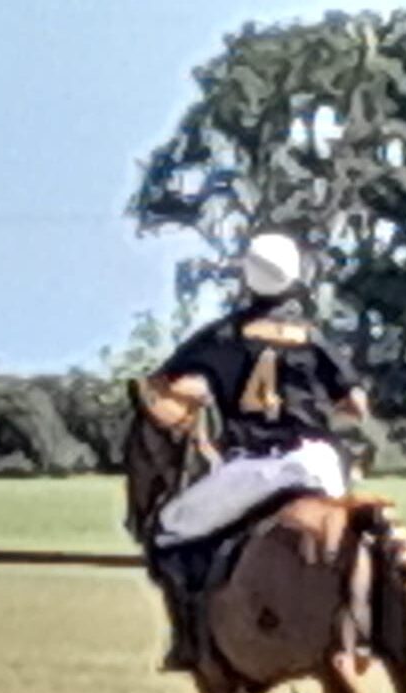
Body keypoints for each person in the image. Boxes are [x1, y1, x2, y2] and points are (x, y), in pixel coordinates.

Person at [141, 231, 369, 670]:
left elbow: (165, 386)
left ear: (247, 278)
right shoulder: (313, 337)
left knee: (168, 531)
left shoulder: (224, 335)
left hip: (259, 466)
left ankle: (189, 639)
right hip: (320, 464)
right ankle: (362, 630)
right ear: (296, 280)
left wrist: (197, 401)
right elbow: (355, 406)